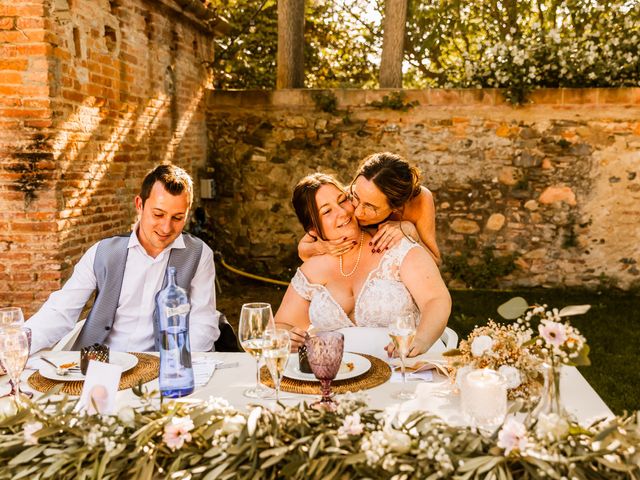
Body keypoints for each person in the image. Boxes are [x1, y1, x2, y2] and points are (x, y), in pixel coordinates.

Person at [25, 164, 220, 353]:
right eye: (158, 214)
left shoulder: (198, 254)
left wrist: (174, 368)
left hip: (161, 367)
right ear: (139, 205)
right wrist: (17, 345)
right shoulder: (102, 252)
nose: (166, 228)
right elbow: (60, 312)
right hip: (99, 366)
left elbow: (202, 325)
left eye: (177, 218)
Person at [275, 173, 451, 357]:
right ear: (312, 228)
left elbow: (436, 300)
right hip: (338, 377)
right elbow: (282, 325)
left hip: (404, 367)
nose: (343, 212)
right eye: (327, 211)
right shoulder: (311, 268)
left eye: (343, 200)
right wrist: (286, 337)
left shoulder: (394, 245)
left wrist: (421, 339)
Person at [298, 152, 441, 265]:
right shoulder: (346, 200)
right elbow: (303, 249)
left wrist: (411, 232)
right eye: (356, 196)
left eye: (370, 206)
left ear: (396, 207)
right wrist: (321, 248)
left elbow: (434, 262)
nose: (357, 211)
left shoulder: (420, 201)